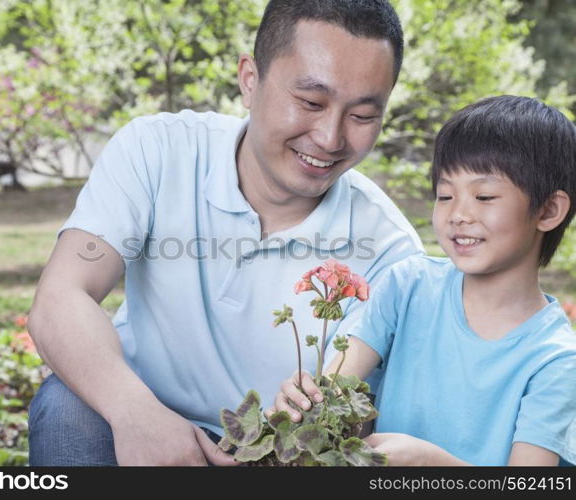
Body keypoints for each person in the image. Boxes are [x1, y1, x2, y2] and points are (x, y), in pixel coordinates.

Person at [27, 0, 424, 466]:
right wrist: (134, 413)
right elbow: (60, 298)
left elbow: (373, 421)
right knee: (66, 409)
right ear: (249, 80)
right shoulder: (158, 150)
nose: (331, 138)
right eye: (311, 102)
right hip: (137, 420)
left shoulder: (392, 253)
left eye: (361, 116)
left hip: (274, 458)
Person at [270, 95, 576, 466]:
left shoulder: (556, 360)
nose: (458, 214)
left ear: (548, 210)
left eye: (484, 196)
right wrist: (307, 402)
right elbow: (336, 390)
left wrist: (432, 465)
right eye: (445, 194)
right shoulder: (408, 285)